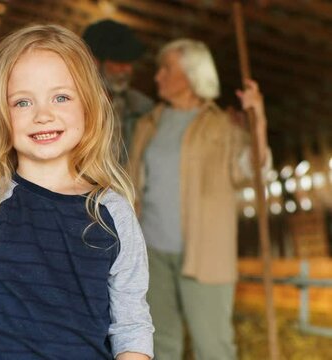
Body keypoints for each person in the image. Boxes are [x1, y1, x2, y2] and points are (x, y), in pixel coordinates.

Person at [0, 24, 153, 360]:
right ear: (0, 115)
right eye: (22, 102)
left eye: (61, 97)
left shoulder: (111, 212)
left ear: (88, 107)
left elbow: (131, 324)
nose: (43, 115)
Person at [127, 39, 271, 359]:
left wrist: (258, 120)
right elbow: (133, 183)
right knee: (159, 344)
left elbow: (252, 169)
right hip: (151, 253)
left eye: (167, 69)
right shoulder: (148, 125)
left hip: (205, 254)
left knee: (212, 347)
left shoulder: (221, 126)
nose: (157, 76)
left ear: (192, 75)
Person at [82, 19, 154, 161]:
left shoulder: (142, 107)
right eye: (119, 62)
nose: (127, 69)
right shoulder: (69, 103)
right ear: (94, 61)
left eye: (130, 62)